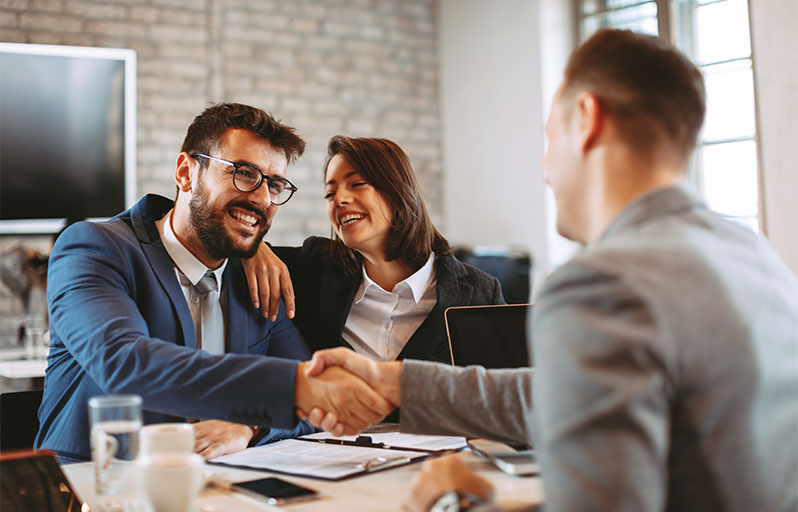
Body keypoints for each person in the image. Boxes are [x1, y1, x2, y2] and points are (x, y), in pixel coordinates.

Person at [304, 29, 798, 511]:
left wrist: (465, 503)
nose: (545, 166)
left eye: (549, 137)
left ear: (587, 119)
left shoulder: (602, 284)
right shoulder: (754, 255)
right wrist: (393, 382)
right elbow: (568, 396)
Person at [35, 103, 393, 463]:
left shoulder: (259, 277)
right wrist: (293, 388)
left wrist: (247, 427)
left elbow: (308, 411)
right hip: (95, 489)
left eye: (275, 184)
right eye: (244, 173)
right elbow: (126, 364)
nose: (263, 198)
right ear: (186, 173)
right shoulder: (95, 249)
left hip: (222, 490)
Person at [246, 135, 505, 364]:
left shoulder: (480, 293)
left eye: (357, 184)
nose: (340, 200)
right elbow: (230, 246)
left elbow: (502, 394)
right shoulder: (315, 266)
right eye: (330, 193)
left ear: (397, 190)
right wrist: (256, 251)